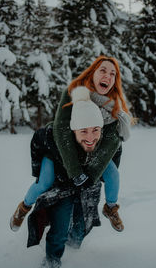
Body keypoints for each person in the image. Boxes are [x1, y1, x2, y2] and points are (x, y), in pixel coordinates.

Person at [10, 89, 118, 268]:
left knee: (81, 225)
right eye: (84, 131)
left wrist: (111, 203)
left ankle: (105, 214)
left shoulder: (102, 144)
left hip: (82, 180)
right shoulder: (57, 140)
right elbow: (44, 152)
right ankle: (24, 209)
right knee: (51, 200)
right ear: (73, 130)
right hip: (56, 169)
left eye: (95, 130)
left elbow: (113, 174)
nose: (91, 137)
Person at [53, 55, 131, 231]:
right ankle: (30, 207)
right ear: (92, 73)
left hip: (96, 151)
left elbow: (113, 139)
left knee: (113, 175)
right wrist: (75, 171)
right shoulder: (75, 92)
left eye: (113, 74)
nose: (108, 76)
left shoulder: (113, 104)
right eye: (103, 70)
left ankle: (110, 208)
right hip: (71, 151)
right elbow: (61, 129)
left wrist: (93, 173)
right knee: (50, 186)